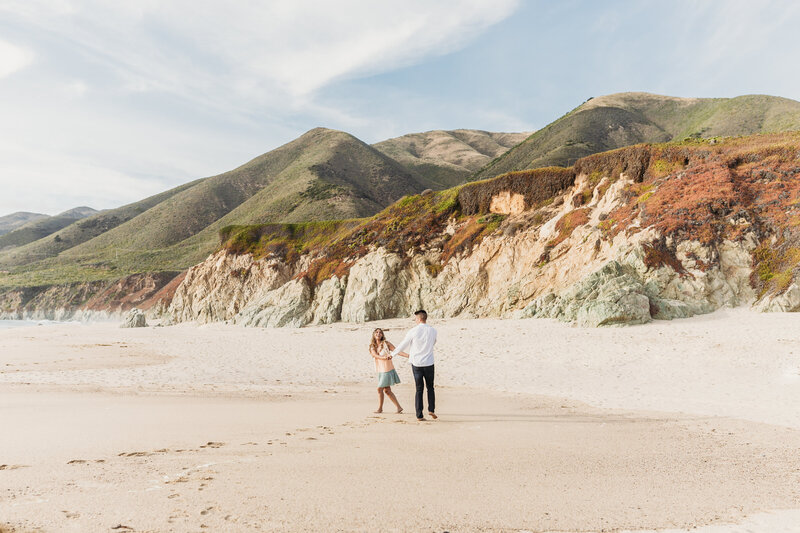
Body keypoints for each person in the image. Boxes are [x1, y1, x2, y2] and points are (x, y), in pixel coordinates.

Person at [391, 310, 437, 421]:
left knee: (419, 389)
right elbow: (434, 342)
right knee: (430, 387)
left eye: (415, 318)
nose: (415, 320)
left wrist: (393, 354)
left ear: (419, 319)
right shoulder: (433, 330)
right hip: (429, 362)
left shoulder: (413, 331)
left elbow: (403, 344)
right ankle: (431, 409)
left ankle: (419, 415)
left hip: (417, 363)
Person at [369, 328, 403, 414]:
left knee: (379, 389)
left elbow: (397, 351)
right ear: (374, 334)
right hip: (380, 370)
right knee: (387, 390)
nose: (378, 333)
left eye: (380, 332)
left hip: (387, 370)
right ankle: (399, 407)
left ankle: (380, 409)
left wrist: (409, 356)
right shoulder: (372, 346)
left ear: (382, 335)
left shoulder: (386, 344)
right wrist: (384, 357)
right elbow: (375, 355)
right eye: (376, 332)